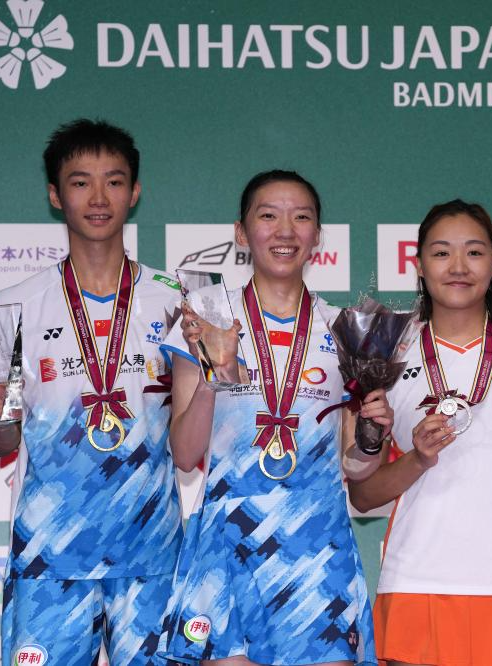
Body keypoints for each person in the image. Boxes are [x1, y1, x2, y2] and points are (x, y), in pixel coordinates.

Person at [0, 119, 184, 665]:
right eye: (81, 182)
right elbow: (3, 440)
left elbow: (199, 428)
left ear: (135, 191)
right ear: (56, 195)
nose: (98, 197)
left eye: (114, 181)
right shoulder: (10, 305)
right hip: (50, 552)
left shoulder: (178, 301)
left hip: (152, 550)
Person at [160, 169, 386, 665]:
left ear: (317, 235)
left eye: (301, 217)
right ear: (241, 233)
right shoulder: (204, 318)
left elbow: (356, 467)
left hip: (317, 546)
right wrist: (212, 377)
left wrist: (372, 438)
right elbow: (185, 453)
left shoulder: (344, 330)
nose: (285, 231)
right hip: (229, 543)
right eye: (268, 216)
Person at [349, 200, 492, 666]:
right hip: (417, 583)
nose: (459, 267)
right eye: (442, 253)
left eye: (474, 252)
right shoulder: (385, 356)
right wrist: (417, 459)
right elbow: (363, 496)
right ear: (419, 264)